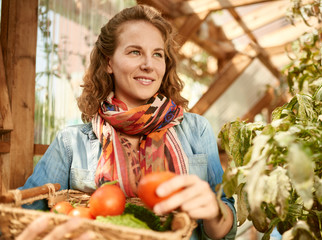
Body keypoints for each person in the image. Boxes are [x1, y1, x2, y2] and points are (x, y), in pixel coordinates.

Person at [19, 4, 237, 240]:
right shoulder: (72, 142)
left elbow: (224, 228)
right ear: (109, 63)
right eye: (135, 52)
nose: (148, 64)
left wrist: (215, 212)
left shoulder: (196, 130)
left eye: (157, 54)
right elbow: (22, 215)